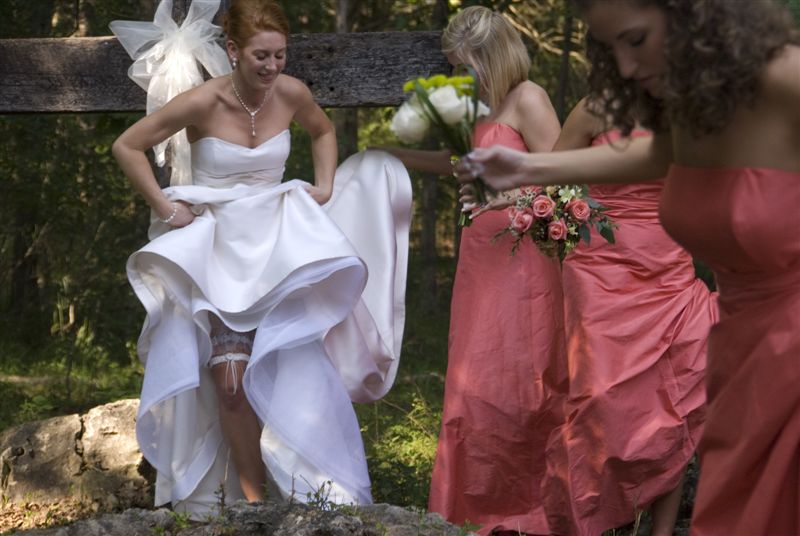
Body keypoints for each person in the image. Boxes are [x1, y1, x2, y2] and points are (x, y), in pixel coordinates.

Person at [455, 1, 800, 534]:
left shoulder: (784, 77)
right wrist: (524, 167)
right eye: (610, 48)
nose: (626, 66)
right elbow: (653, 156)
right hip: (741, 353)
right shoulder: (697, 112)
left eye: (635, 40)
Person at [111, 0, 411, 517]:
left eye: (279, 55)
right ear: (233, 50)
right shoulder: (202, 101)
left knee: (290, 365)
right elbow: (127, 146)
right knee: (230, 382)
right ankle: (252, 507)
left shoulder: (291, 92)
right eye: (261, 56)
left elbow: (322, 131)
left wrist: (324, 185)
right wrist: (164, 206)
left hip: (279, 248)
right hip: (218, 253)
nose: (272, 67)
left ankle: (311, 490)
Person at [382, 6, 565, 534]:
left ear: (495, 55)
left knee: (522, 379)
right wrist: (390, 154)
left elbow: (565, 181)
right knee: (474, 381)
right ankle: (470, 507)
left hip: (526, 260)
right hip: (480, 258)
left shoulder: (528, 98)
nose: (462, 76)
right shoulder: (473, 109)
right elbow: (459, 165)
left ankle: (534, 507)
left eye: (467, 66)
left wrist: (506, 197)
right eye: (455, 67)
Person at [534, 99, 717, 536]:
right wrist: (554, 214)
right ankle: (589, 520)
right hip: (599, 269)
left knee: (673, 399)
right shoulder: (594, 108)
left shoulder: (685, 108)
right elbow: (549, 176)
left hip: (666, 264)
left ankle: (662, 531)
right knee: (599, 399)